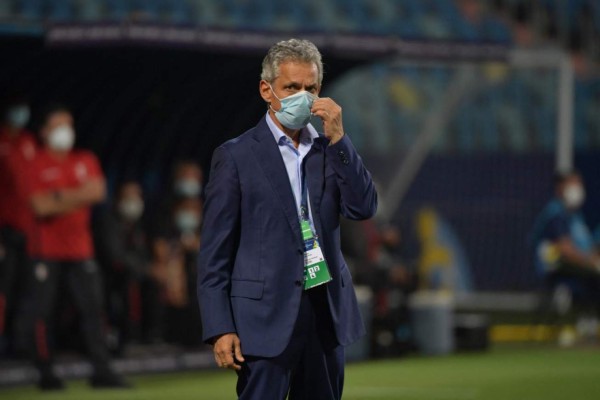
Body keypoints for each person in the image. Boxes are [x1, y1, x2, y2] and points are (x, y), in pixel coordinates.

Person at [197, 38, 377, 399]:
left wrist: (341, 141)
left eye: (310, 88)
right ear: (267, 89)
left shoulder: (331, 149)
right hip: (262, 319)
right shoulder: (235, 156)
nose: (302, 96)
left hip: (324, 314)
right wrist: (220, 327)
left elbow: (363, 207)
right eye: (291, 87)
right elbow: (215, 252)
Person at [21, 104, 128, 390]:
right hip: (44, 251)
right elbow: (40, 206)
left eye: (68, 124)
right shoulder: (35, 163)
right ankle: (46, 373)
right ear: (44, 131)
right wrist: (78, 196)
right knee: (42, 314)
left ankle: (101, 371)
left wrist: (59, 197)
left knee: (94, 310)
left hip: (81, 250)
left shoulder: (85, 158)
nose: (66, 131)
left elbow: (98, 191)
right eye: (58, 125)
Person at [93, 180, 159, 351]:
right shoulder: (107, 222)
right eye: (128, 196)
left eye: (136, 196)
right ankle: (127, 338)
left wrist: (153, 269)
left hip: (136, 274)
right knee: (131, 283)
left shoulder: (139, 226)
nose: (133, 201)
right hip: (109, 277)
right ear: (117, 199)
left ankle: (153, 335)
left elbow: (144, 254)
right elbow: (115, 257)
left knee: (156, 282)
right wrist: (147, 269)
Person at [531, 171, 600, 318]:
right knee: (593, 276)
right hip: (554, 264)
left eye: (579, 184)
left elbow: (588, 246)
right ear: (560, 187)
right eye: (573, 183)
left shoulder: (575, 215)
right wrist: (592, 263)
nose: (578, 188)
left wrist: (594, 259)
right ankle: (587, 319)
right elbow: (565, 249)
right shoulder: (556, 212)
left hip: (574, 263)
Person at [0, 94, 38, 355]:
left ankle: (21, 345)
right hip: (4, 230)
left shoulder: (28, 141)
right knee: (3, 290)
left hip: (29, 231)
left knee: (27, 291)